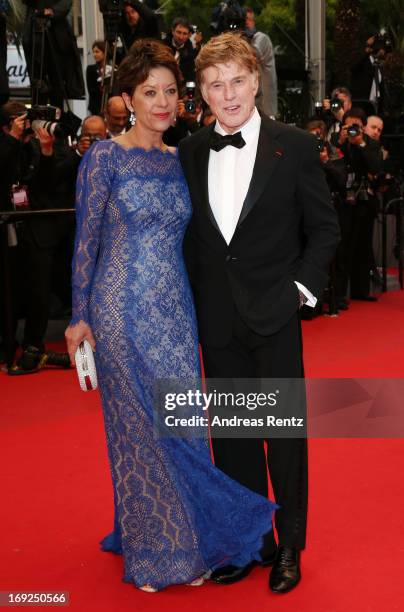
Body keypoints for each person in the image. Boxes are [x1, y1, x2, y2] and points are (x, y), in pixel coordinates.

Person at [65, 38, 277, 593]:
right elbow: (84, 242)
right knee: (141, 430)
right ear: (128, 99)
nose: (163, 102)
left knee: (181, 425)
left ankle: (185, 533)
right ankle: (158, 552)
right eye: (149, 92)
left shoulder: (181, 158)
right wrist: (78, 315)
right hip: (120, 310)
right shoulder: (103, 157)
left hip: (177, 314)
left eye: (171, 92)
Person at [179, 33, 340, 593]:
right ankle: (251, 543)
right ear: (201, 92)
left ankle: (289, 547)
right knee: (236, 439)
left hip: (275, 315)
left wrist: (299, 290)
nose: (229, 95)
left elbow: (324, 229)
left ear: (256, 81)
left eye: (238, 81)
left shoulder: (292, 145)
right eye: (215, 84)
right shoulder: (191, 150)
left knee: (284, 440)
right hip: (219, 321)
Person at [244, 6, 278, 118]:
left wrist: (244, 37)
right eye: (244, 20)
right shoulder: (243, 40)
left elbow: (254, 53)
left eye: (249, 19)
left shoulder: (261, 38)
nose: (246, 23)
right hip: (251, 104)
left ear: (254, 22)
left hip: (265, 106)